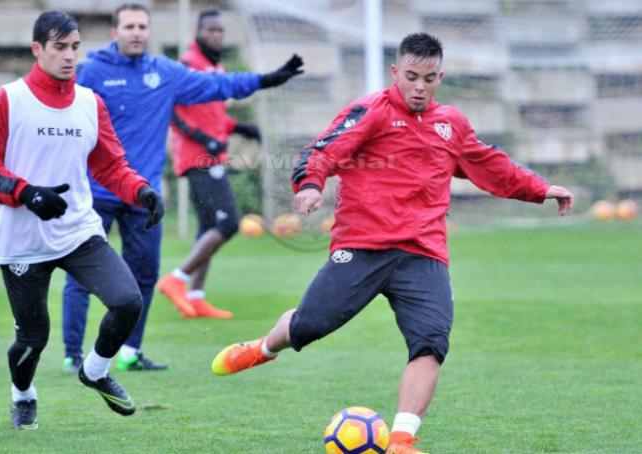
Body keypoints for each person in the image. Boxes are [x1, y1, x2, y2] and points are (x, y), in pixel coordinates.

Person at [210, 33, 574, 454]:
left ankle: (402, 439)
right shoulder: (370, 112)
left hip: (423, 252)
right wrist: (310, 185)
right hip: (363, 245)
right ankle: (262, 348)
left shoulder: (450, 124)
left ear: (441, 77)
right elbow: (322, 151)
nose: (420, 87)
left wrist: (541, 188)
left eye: (430, 78)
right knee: (310, 325)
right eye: (413, 77)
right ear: (396, 73)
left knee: (432, 343)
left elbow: (490, 164)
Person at [61, 3, 304, 373]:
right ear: (115, 32)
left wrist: (266, 79)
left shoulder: (164, 72)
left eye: (143, 25)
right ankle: (72, 354)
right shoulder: (92, 72)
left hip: (144, 195)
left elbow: (215, 85)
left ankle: (128, 352)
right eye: (129, 26)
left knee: (143, 276)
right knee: (82, 275)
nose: (137, 32)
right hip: (94, 192)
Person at [0, 11, 165, 429]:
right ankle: (23, 396)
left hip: (78, 230)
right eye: (59, 47)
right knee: (33, 340)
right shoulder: (8, 100)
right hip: (21, 237)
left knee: (127, 301)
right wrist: (27, 193)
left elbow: (111, 165)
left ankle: (95, 371)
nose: (69, 56)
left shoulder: (89, 103)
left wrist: (142, 192)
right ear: (37, 49)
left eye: (75, 47)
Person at [156, 10, 262, 319]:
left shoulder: (215, 67)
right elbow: (173, 111)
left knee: (207, 227)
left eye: (220, 30)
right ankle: (176, 278)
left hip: (212, 154)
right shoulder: (188, 65)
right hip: (197, 157)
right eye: (211, 30)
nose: (216, 35)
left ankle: (197, 296)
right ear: (198, 32)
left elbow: (213, 116)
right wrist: (203, 139)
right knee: (227, 223)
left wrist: (240, 129)